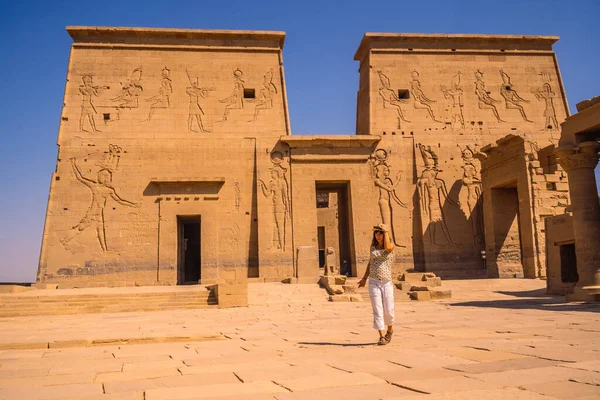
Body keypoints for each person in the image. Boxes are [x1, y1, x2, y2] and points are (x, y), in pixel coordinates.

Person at [358, 223, 395, 345]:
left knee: (388, 310)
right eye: (376, 233)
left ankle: (389, 331)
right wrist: (364, 278)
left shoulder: (390, 246)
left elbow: (388, 248)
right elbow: (370, 263)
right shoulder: (372, 247)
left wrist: (386, 231)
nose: (377, 235)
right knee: (377, 309)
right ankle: (381, 336)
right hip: (373, 281)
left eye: (380, 233)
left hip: (386, 282)